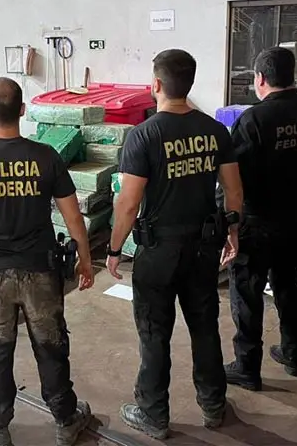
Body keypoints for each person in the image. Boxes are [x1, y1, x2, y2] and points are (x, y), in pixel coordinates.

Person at [0, 77, 94, 446]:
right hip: (41, 270)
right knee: (51, 344)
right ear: (23, 110)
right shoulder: (46, 157)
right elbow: (73, 216)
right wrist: (85, 259)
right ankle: (65, 418)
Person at [106, 49, 243, 440]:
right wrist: (233, 232)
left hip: (158, 252)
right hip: (203, 248)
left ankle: (153, 414)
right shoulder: (215, 131)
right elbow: (234, 191)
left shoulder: (144, 135)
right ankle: (213, 405)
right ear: (190, 83)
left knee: (154, 333)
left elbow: (128, 203)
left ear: (156, 84)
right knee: (204, 327)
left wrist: (114, 249)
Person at [224, 47, 297, 389]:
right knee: (288, 284)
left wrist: (230, 222)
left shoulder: (253, 120)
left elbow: (233, 179)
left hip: (256, 223)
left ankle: (247, 366)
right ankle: (293, 354)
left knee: (247, 291)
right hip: (296, 218)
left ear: (260, 78)